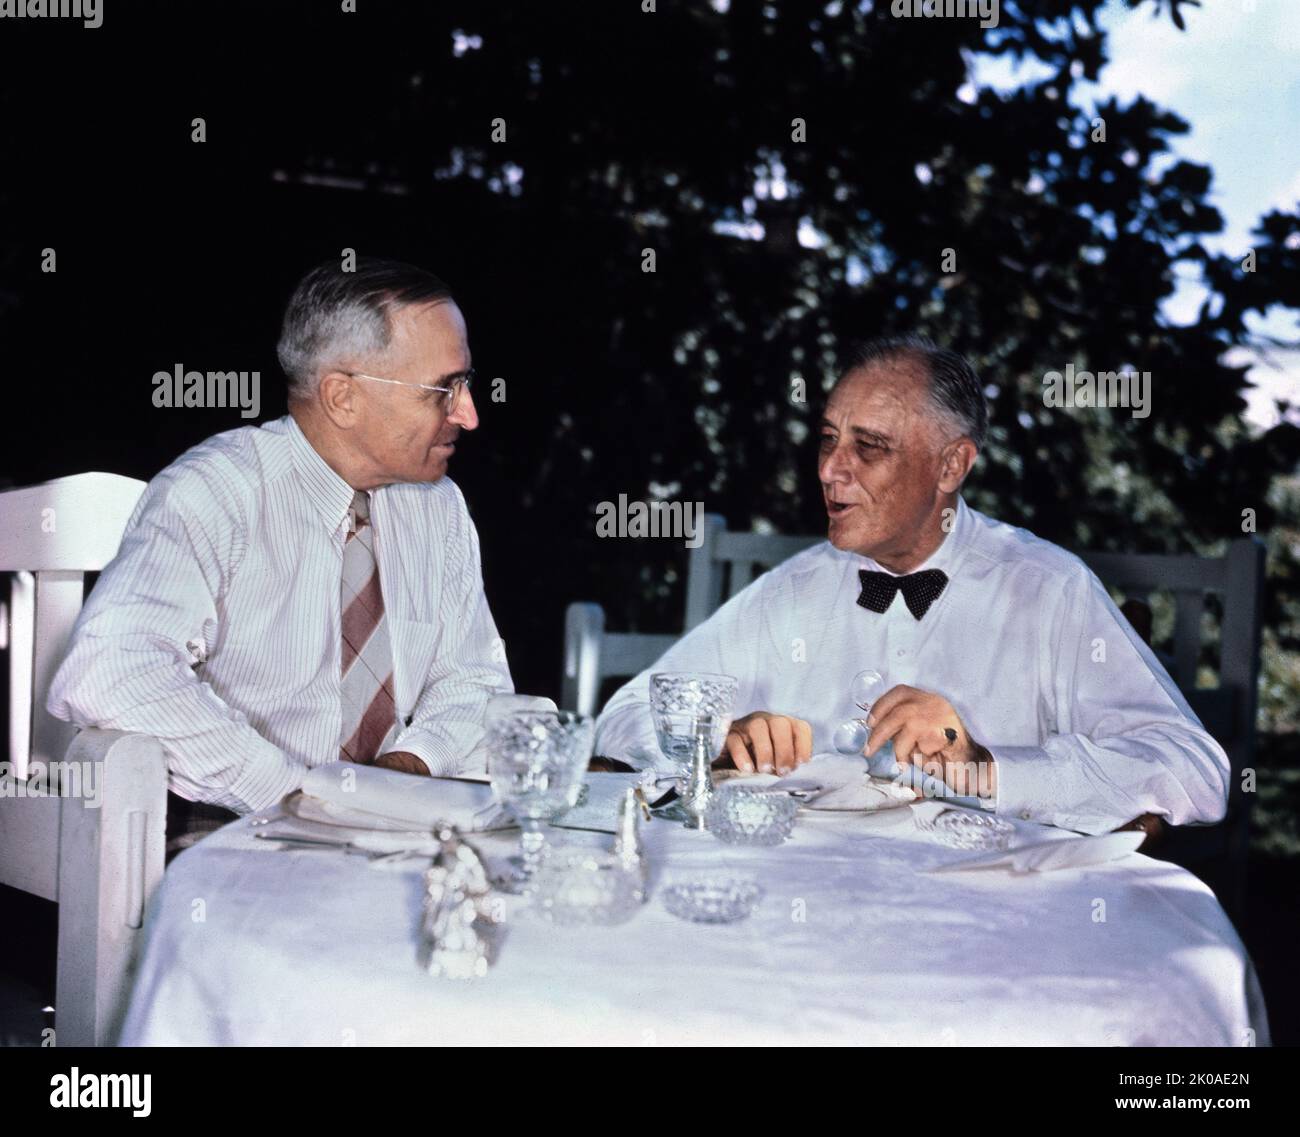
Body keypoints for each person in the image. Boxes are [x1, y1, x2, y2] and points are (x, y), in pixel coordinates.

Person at [594, 335, 1229, 835]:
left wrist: (984, 766)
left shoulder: (1047, 589)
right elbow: (624, 716)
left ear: (951, 465)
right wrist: (718, 738)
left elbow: (1194, 770)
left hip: (988, 928)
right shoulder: (793, 590)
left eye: (868, 447)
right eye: (827, 440)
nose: (829, 470)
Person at [47, 258, 512, 853]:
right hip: (237, 825)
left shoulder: (439, 508)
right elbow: (111, 671)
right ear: (343, 398)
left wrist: (408, 766)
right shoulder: (216, 492)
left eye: (466, 384)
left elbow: (475, 680)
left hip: (399, 824)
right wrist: (298, 794)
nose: (468, 414)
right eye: (443, 390)